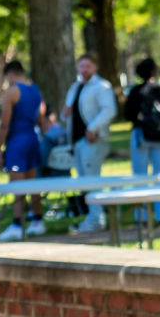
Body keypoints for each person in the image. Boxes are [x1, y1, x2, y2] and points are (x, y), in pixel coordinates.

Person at [62, 54, 116, 233]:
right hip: (77, 141)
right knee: (85, 181)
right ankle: (92, 216)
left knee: (92, 179)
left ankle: (96, 218)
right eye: (82, 66)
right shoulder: (76, 87)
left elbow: (109, 110)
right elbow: (69, 113)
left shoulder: (101, 86)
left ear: (95, 67)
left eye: (88, 66)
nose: (84, 70)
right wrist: (65, 113)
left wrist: (94, 128)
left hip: (93, 140)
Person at [0, 60, 49, 240]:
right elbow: (41, 119)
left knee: (17, 184)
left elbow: (4, 124)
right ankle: (37, 220)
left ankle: (17, 223)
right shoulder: (36, 90)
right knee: (33, 183)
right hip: (33, 139)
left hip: (17, 142)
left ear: (10, 73)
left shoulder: (12, 92)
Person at [122, 57, 160, 225]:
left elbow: (128, 114)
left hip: (141, 136)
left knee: (140, 176)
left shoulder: (136, 92)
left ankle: (142, 216)